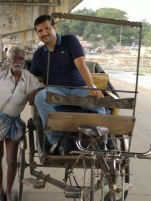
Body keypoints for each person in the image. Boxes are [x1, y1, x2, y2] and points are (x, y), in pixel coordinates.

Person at [0, 46, 44, 201]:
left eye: (21, 58)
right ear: (9, 60)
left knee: (12, 160)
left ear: (24, 60)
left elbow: (41, 88)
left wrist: (34, 94)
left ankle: (8, 190)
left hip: (13, 120)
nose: (18, 61)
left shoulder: (28, 77)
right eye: (15, 58)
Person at [30, 15, 105, 154]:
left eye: (47, 28)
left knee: (98, 102)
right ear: (37, 34)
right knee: (40, 98)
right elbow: (33, 77)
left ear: (54, 27)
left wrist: (92, 87)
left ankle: (103, 142)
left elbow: (81, 64)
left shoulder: (69, 41)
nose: (44, 33)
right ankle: (56, 142)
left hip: (79, 87)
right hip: (56, 89)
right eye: (40, 31)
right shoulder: (39, 55)